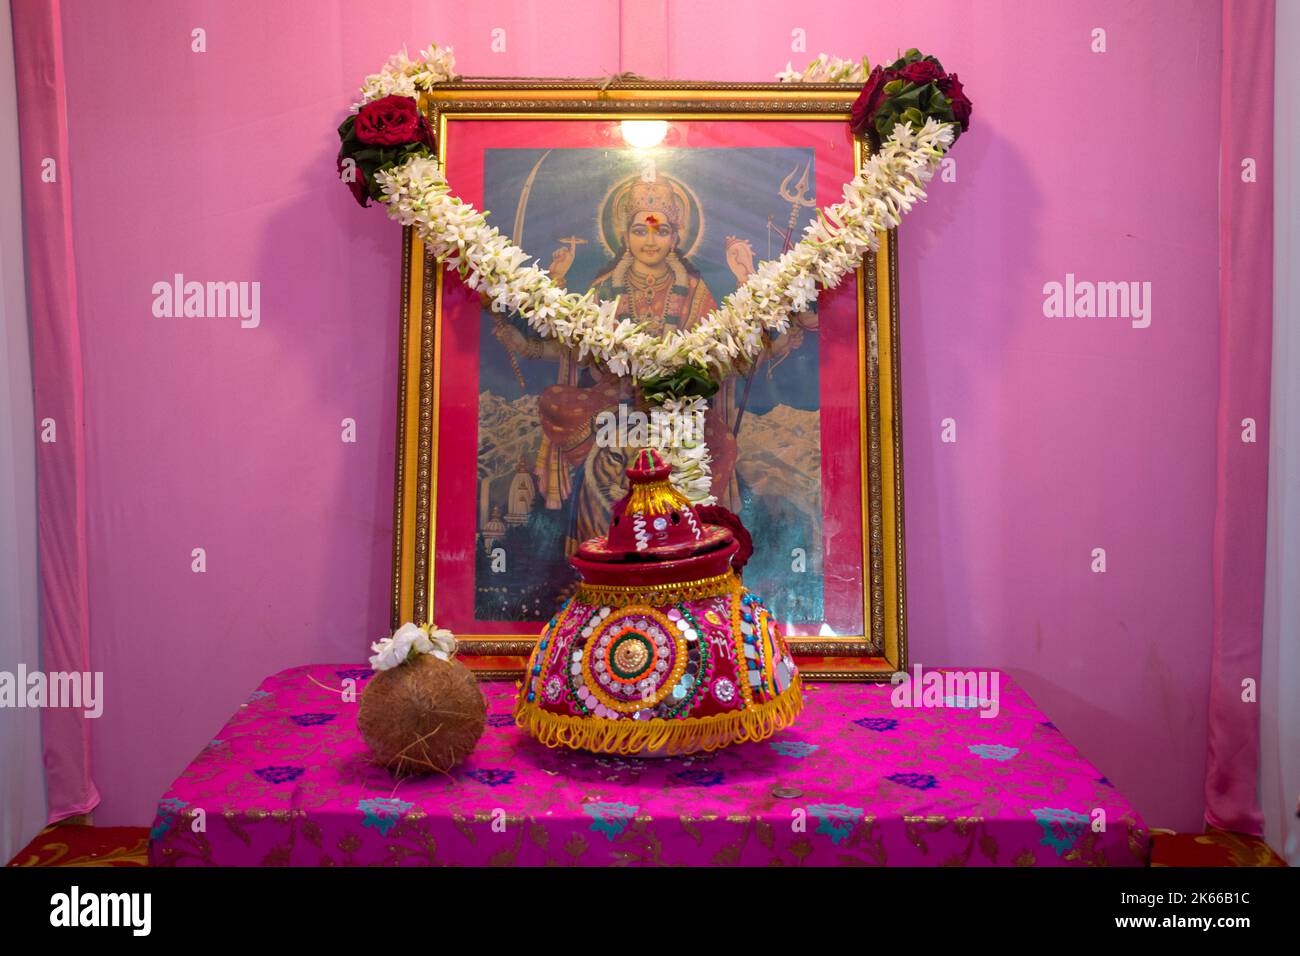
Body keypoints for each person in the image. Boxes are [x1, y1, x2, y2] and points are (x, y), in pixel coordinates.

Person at [493, 175, 810, 552]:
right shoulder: (606, 284)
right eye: (640, 230)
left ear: (675, 238)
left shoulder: (693, 290)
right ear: (625, 236)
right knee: (555, 402)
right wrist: (526, 346)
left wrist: (773, 347)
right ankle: (602, 541)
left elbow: (726, 352)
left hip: (677, 403)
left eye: (660, 232)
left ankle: (691, 537)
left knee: (723, 443)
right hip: (613, 397)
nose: (649, 240)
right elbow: (574, 347)